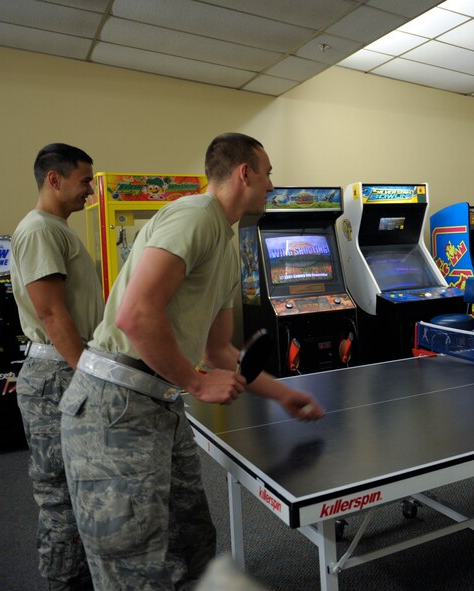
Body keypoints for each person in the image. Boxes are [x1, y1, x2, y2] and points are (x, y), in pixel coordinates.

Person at [59, 133, 326, 590]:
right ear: (245, 172)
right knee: (135, 565)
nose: (272, 186)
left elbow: (218, 350)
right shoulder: (195, 215)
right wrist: (197, 384)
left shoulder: (228, 240)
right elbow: (136, 314)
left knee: (192, 540)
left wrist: (286, 396)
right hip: (115, 405)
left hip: (160, 400)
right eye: (268, 174)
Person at [10, 143, 102, 590]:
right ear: (55, 179)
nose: (90, 189)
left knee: (80, 488)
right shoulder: (40, 230)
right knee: (60, 495)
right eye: (85, 180)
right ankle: (65, 584)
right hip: (56, 375)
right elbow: (51, 314)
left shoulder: (55, 229)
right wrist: (88, 373)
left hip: (67, 367)